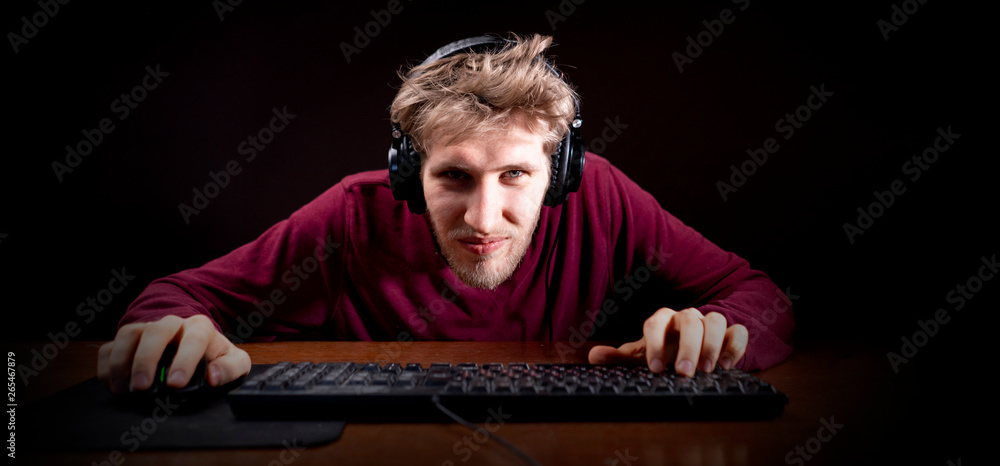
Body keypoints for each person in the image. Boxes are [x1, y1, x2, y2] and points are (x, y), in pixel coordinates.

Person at [97, 33, 794, 395]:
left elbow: (763, 298)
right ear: (407, 173)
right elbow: (178, 297)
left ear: (561, 172)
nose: (484, 218)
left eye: (516, 174)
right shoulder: (352, 213)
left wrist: (720, 334)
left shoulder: (604, 194)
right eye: (454, 176)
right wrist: (168, 333)